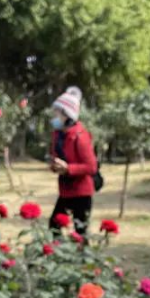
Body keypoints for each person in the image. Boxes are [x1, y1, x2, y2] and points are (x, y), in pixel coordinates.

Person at [48, 86, 97, 237]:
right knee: (54, 225)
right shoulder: (58, 135)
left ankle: (82, 259)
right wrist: (55, 166)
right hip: (66, 190)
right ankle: (58, 256)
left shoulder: (80, 136)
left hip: (81, 193)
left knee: (80, 232)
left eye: (57, 112)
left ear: (67, 115)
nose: (54, 116)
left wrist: (68, 168)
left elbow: (91, 167)